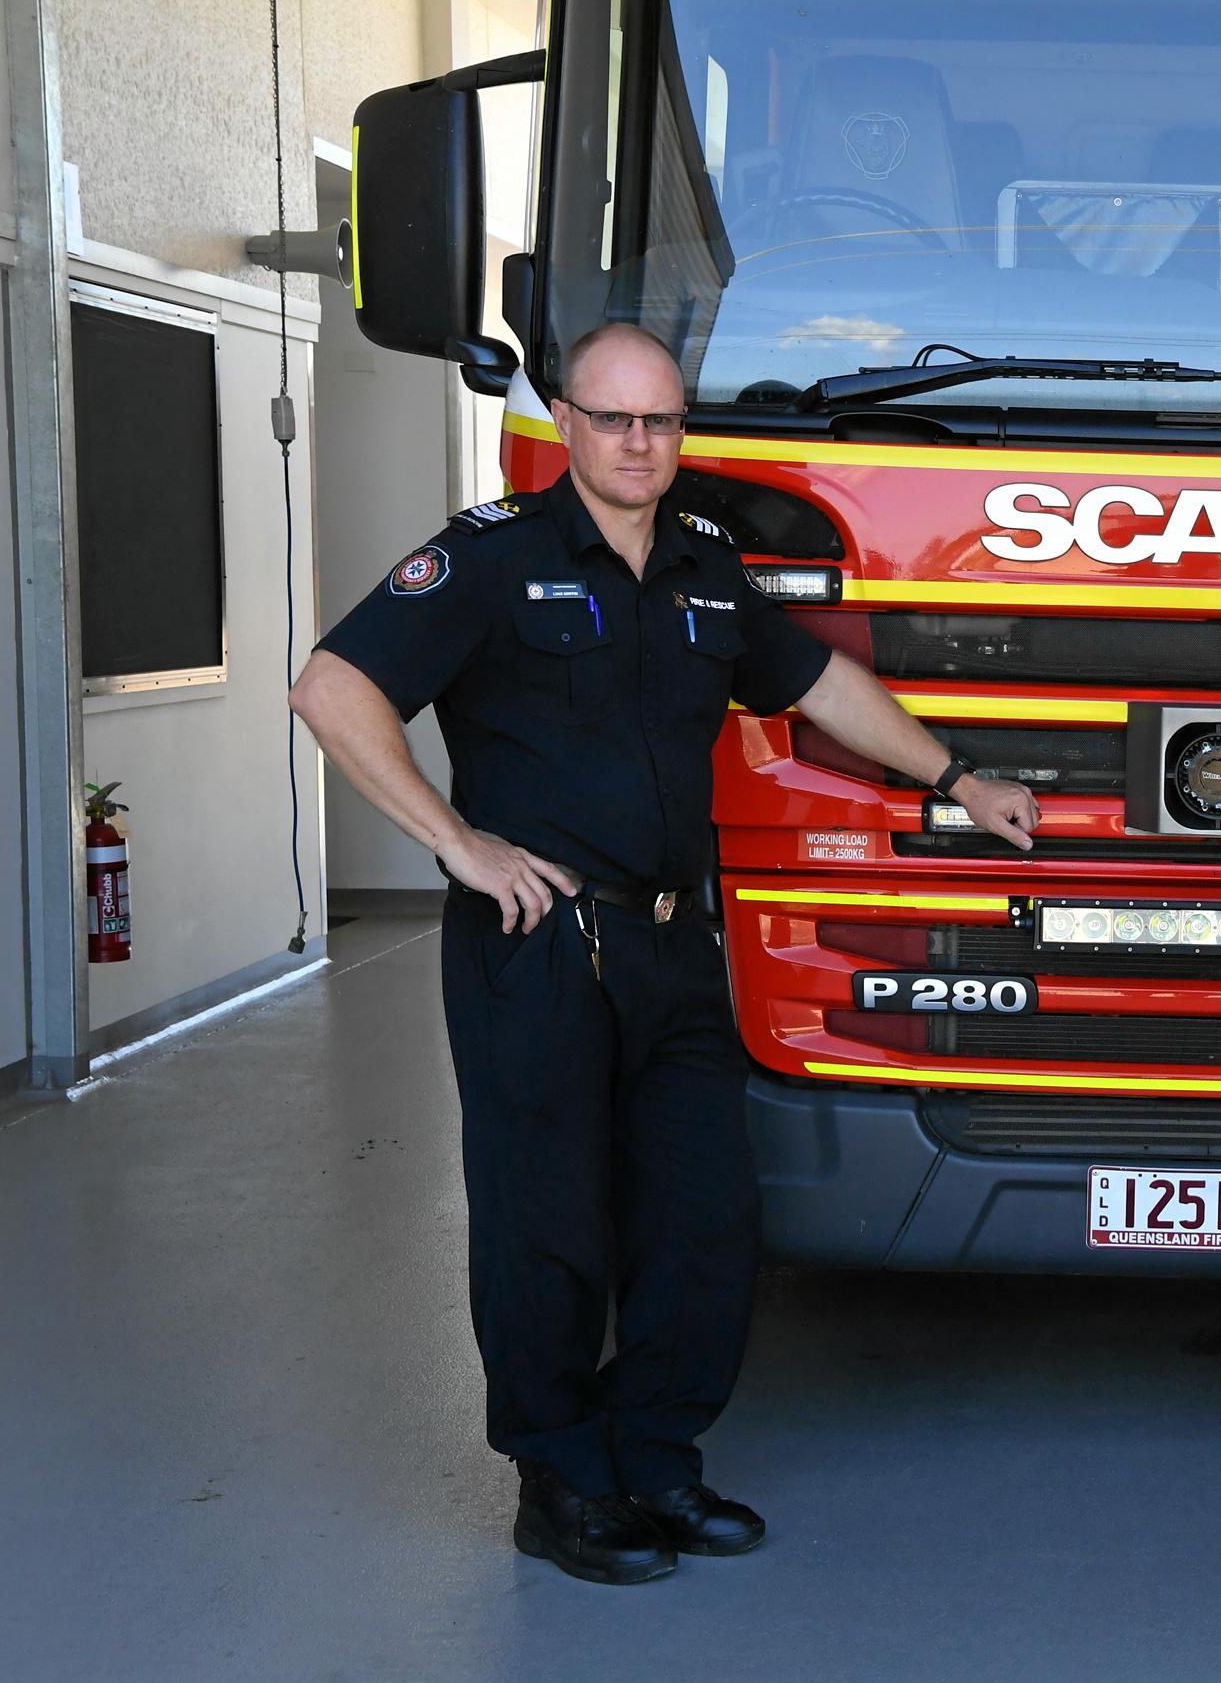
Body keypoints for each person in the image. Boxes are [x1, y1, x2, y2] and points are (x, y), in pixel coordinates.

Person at [291, 323, 1041, 1585]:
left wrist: (958, 775)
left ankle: (656, 1457)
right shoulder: (492, 555)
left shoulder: (703, 564)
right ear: (569, 422)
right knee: (550, 1222)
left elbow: (813, 682)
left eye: (662, 422)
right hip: (539, 950)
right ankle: (562, 1482)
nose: (641, 444)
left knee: (700, 1213)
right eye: (614, 419)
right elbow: (331, 686)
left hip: (671, 943)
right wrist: (459, 841)